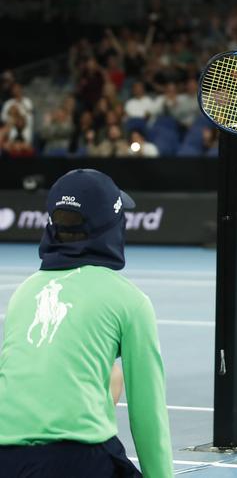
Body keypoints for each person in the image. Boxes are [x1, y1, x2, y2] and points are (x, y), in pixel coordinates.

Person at [0, 169, 173, 477]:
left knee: (112, 374)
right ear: (114, 225)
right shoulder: (130, 300)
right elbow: (148, 415)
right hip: (76, 458)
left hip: (5, 455)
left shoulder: (23, 293)